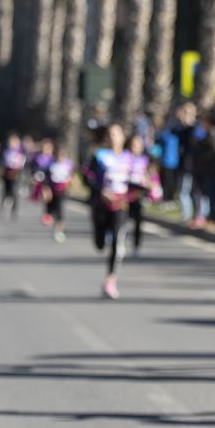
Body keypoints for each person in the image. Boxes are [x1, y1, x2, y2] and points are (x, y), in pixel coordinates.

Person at [85, 123, 141, 299]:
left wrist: (145, 187)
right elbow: (88, 178)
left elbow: (135, 181)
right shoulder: (99, 156)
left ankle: (110, 280)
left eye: (116, 134)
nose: (113, 137)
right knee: (100, 243)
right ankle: (99, 237)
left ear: (123, 137)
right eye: (110, 134)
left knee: (118, 241)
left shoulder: (129, 158)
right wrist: (101, 192)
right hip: (101, 204)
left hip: (121, 205)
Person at [43, 143, 74, 243]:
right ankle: (49, 216)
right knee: (50, 210)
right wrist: (46, 190)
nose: (60, 157)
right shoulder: (50, 165)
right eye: (58, 155)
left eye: (62, 155)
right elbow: (46, 180)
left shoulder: (68, 164)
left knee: (60, 211)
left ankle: (59, 231)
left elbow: (71, 176)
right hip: (52, 190)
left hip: (62, 191)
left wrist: (70, 181)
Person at [0, 134, 26, 220]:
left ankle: (14, 210)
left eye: (14, 142)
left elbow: (21, 164)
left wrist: (15, 171)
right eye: (10, 142)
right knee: (5, 192)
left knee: (14, 193)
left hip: (15, 174)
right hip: (6, 174)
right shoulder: (6, 151)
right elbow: (3, 163)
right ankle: (3, 209)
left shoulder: (19, 152)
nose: (12, 144)